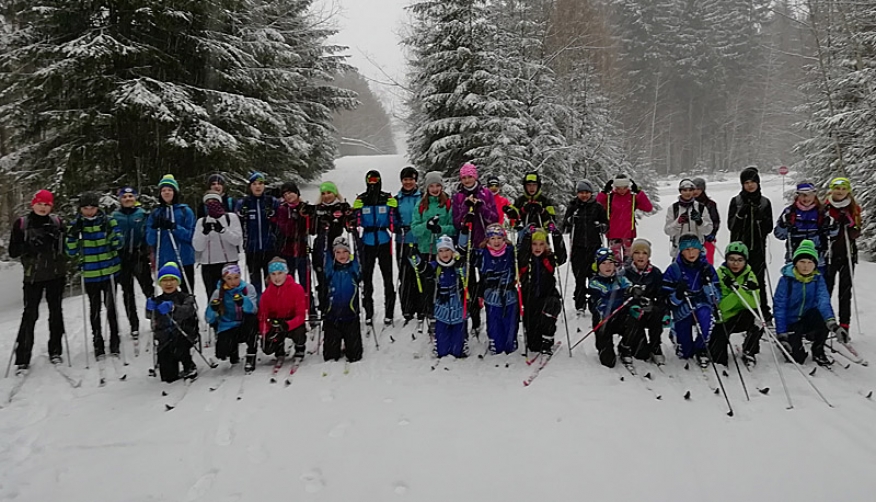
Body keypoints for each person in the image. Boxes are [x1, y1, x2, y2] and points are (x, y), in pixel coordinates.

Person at [9, 190, 67, 373]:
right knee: (30, 314)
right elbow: (13, 251)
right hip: (33, 276)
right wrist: (29, 246)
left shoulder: (57, 222)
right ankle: (23, 358)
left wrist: (57, 240)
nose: (43, 207)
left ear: (51, 206)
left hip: (56, 275)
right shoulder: (22, 223)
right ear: (33, 204)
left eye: (47, 204)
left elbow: (67, 247)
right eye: (40, 203)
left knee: (56, 312)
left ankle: (55, 351)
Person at [66, 192, 123, 360]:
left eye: (92, 208)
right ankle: (98, 341)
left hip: (109, 271)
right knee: (95, 309)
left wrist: (113, 237)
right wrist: (74, 235)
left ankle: (115, 340)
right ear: (81, 209)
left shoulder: (108, 220)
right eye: (85, 208)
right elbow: (70, 250)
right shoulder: (76, 224)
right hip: (91, 273)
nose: (89, 211)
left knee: (111, 308)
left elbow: (119, 242)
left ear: (98, 207)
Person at [773, 240, 848, 367]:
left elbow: (823, 302)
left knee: (821, 316)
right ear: (795, 263)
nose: (806, 266)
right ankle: (793, 343)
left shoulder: (818, 279)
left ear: (815, 265)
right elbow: (780, 307)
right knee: (797, 358)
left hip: (807, 318)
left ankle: (818, 350)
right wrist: (782, 333)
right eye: (802, 262)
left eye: (810, 262)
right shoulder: (786, 280)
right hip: (791, 322)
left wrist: (834, 326)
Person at [451, 163, 498, 338]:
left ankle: (489, 313)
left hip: (484, 243)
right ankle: (475, 319)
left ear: (475, 177)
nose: (467, 180)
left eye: (469, 177)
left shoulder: (485, 193)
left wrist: (481, 207)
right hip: (467, 245)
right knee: (468, 284)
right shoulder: (458, 196)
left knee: (486, 281)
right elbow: (456, 221)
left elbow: (495, 218)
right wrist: (465, 209)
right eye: (464, 177)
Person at [662, 234, 721, 367]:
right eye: (687, 250)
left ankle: (701, 348)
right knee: (685, 352)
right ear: (681, 251)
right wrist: (678, 294)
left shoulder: (707, 268)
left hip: (702, 303)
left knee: (706, 318)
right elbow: (666, 297)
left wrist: (707, 285)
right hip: (683, 307)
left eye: (694, 249)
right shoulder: (674, 269)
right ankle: (678, 337)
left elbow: (716, 296)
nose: (691, 253)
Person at [727, 166, 773, 322]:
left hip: (758, 248)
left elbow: (769, 227)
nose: (750, 185)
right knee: (738, 279)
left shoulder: (765, 202)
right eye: (746, 182)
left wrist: (761, 217)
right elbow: (731, 226)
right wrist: (741, 215)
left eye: (753, 182)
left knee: (758, 280)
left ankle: (763, 310)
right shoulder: (737, 201)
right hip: (739, 250)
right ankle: (738, 310)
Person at [352, 170, 398, 327]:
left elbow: (395, 220)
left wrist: (395, 208)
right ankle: (369, 312)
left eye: (375, 180)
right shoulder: (362, 199)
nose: (372, 183)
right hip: (367, 241)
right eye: (369, 180)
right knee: (367, 278)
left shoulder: (386, 198)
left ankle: (389, 312)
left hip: (384, 240)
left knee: (388, 278)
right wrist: (354, 211)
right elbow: (353, 223)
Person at [411, 171, 456, 329]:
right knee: (428, 282)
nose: (435, 189)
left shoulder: (448, 203)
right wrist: (427, 226)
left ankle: (446, 309)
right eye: (432, 186)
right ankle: (430, 312)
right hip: (426, 248)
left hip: (444, 251)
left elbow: (453, 228)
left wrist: (440, 228)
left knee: (444, 282)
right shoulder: (421, 205)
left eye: (438, 185)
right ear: (427, 187)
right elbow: (414, 229)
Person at [410, 235, 468, 358]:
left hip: (457, 307)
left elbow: (465, 274)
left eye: (447, 250)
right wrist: (414, 257)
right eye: (441, 251)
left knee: (457, 351)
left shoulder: (457, 263)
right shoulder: (435, 265)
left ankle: (462, 340)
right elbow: (423, 269)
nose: (444, 254)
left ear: (452, 250)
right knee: (443, 352)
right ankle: (440, 341)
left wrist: (461, 265)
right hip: (441, 308)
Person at [709, 242, 763, 367]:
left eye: (740, 260)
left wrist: (737, 290)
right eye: (731, 259)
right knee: (718, 358)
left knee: (757, 319)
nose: (735, 263)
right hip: (723, 319)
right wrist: (740, 293)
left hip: (742, 317)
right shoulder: (719, 275)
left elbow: (755, 303)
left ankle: (750, 349)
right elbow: (722, 306)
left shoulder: (750, 276)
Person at [305, 181, 353, 319]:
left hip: (337, 248)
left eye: (329, 193)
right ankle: (325, 308)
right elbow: (312, 231)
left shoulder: (340, 207)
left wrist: (350, 218)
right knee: (322, 279)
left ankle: (340, 305)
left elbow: (349, 226)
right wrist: (312, 217)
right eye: (323, 193)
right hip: (320, 247)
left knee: (337, 278)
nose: (326, 196)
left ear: (335, 193)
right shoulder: (317, 208)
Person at [469, 223, 518, 355]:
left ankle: (510, 340)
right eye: (493, 238)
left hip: (508, 291)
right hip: (492, 292)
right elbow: (468, 256)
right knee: (494, 318)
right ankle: (495, 340)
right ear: (487, 240)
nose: (496, 241)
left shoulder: (510, 251)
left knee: (510, 318)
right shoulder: (482, 254)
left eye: (499, 238)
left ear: (504, 239)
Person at [112, 187, 153, 342]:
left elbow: (148, 233)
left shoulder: (142, 214)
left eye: (131, 196)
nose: (128, 199)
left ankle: (154, 317)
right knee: (127, 293)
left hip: (139, 256)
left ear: (135, 198)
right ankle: (133, 324)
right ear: (120, 199)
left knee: (148, 289)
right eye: (125, 196)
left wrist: (147, 249)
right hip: (122, 258)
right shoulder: (115, 216)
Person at [561, 180, 608, 314]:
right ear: (577, 194)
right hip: (578, 249)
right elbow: (564, 226)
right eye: (581, 193)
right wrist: (570, 221)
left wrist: (602, 226)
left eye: (587, 192)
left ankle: (595, 303)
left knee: (594, 277)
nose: (584, 195)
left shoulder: (597, 207)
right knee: (580, 278)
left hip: (594, 248)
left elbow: (606, 225)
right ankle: (580, 304)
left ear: (591, 193)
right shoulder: (573, 207)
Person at [146, 263, 198, 382]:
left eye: (172, 280)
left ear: (178, 282)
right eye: (164, 280)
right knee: (168, 376)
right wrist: (150, 308)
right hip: (164, 337)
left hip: (184, 333)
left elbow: (188, 311)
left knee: (178, 344)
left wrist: (174, 308)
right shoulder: (158, 299)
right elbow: (150, 317)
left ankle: (189, 365)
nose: (168, 283)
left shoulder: (186, 297)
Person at [823, 177, 862, 334]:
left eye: (843, 189)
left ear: (848, 191)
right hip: (829, 254)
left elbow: (856, 233)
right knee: (826, 289)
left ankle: (845, 325)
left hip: (847, 254)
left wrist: (851, 224)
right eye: (837, 189)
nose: (840, 192)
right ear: (832, 190)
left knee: (845, 292)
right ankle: (824, 322)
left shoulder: (853, 208)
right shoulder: (825, 207)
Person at [519, 226, 566, 355]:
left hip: (548, 295)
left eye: (541, 244)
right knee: (534, 346)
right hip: (530, 298)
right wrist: (527, 237)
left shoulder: (549, 258)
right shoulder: (525, 259)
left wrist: (557, 236)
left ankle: (547, 339)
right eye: (534, 244)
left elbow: (562, 257)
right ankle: (537, 339)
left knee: (550, 310)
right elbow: (521, 255)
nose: (538, 247)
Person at [146, 174, 197, 293]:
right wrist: (154, 227)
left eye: (170, 190)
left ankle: (189, 311)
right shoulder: (155, 213)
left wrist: (174, 227)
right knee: (168, 293)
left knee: (187, 294)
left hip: (184, 259)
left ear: (175, 192)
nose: (167, 193)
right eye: (163, 190)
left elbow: (191, 236)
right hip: (165, 260)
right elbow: (150, 240)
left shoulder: (185, 211)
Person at [205, 264, 259, 372]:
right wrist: (213, 308)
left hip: (245, 324)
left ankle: (251, 354)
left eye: (236, 277)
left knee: (252, 321)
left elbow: (253, 309)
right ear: (224, 279)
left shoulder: (248, 288)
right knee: (222, 352)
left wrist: (243, 301)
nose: (233, 282)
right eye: (229, 278)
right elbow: (208, 319)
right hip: (228, 325)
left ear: (240, 276)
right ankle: (232, 351)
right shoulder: (218, 292)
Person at [622, 239, 669, 365]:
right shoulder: (625, 272)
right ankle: (627, 345)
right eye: (637, 253)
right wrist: (633, 303)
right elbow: (621, 294)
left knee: (657, 313)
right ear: (632, 255)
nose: (641, 256)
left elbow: (661, 295)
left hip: (650, 310)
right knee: (641, 354)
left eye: (644, 253)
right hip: (634, 313)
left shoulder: (655, 273)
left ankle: (655, 345)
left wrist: (659, 307)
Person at [271, 181, 313, 314]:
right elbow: (284, 228)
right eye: (285, 194)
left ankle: (309, 309)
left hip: (301, 250)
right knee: (289, 283)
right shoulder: (283, 209)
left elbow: (312, 229)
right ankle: (290, 310)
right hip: (287, 250)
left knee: (305, 282)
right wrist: (293, 219)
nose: (288, 196)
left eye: (291, 193)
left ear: (297, 193)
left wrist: (309, 217)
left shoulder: (304, 207)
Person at [192, 191, 243, 299]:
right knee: (213, 296)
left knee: (232, 293)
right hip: (209, 265)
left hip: (229, 262)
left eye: (214, 202)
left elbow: (237, 240)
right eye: (208, 203)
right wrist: (204, 234)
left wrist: (223, 230)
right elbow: (197, 247)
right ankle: (214, 315)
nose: (212, 205)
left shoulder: (231, 218)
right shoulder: (201, 221)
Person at [588, 248, 632, 368]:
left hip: (619, 317)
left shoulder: (621, 279)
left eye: (610, 263)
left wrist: (633, 291)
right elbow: (605, 294)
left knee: (633, 317)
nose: (608, 266)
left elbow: (629, 287)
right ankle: (606, 347)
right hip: (604, 320)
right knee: (608, 362)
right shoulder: (594, 282)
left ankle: (625, 346)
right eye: (603, 263)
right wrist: (624, 292)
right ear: (597, 266)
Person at [236, 171, 279, 294]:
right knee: (255, 282)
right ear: (250, 186)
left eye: (260, 183)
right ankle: (258, 308)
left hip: (269, 249)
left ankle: (271, 308)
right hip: (252, 249)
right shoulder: (244, 203)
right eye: (254, 184)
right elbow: (236, 225)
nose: (258, 186)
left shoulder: (271, 201)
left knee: (271, 281)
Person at [258, 258, 308, 363]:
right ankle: (278, 346)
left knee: (299, 331)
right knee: (267, 348)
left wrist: (287, 325)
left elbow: (301, 315)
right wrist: (266, 333)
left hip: (292, 321)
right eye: (273, 274)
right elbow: (262, 316)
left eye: (280, 273)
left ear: (286, 272)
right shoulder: (266, 294)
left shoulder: (297, 289)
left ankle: (299, 346)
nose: (277, 277)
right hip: (275, 322)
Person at [323, 236, 364, 363]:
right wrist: (326, 233)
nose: (342, 255)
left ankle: (349, 343)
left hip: (350, 317)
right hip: (332, 318)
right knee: (330, 356)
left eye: (345, 251)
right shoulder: (330, 271)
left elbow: (360, 252)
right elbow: (324, 252)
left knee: (355, 356)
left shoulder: (353, 270)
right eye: (338, 252)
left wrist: (353, 232)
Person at [774, 182, 833, 269]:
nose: (806, 198)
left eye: (809, 194)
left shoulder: (822, 212)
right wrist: (783, 225)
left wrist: (832, 226)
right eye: (802, 195)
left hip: (818, 260)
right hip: (794, 259)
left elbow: (832, 234)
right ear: (797, 196)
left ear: (814, 195)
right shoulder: (790, 212)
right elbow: (779, 235)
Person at [596, 173, 654, 261]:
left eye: (625, 187)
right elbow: (596, 205)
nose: (622, 190)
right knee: (615, 261)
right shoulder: (610, 198)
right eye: (618, 188)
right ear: (615, 187)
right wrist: (604, 192)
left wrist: (639, 192)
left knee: (629, 261)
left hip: (628, 234)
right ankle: (616, 274)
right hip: (613, 234)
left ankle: (628, 275)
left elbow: (648, 207)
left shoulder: (632, 197)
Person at [395, 167, 423, 325]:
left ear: (415, 180)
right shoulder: (397, 198)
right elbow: (393, 218)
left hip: (420, 240)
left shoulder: (422, 197)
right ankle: (407, 308)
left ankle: (421, 307)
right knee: (405, 275)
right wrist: (397, 226)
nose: (408, 182)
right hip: (403, 240)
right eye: (405, 179)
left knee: (419, 273)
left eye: (411, 179)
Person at [664, 178, 713, 259]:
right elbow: (668, 231)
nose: (688, 193)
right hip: (679, 250)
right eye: (684, 190)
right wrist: (678, 222)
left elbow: (708, 231)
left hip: (697, 250)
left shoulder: (701, 208)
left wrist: (700, 222)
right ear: (680, 191)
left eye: (690, 190)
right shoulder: (673, 208)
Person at [692, 178, 720, 264]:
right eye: (694, 189)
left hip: (708, 240)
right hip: (692, 240)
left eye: (698, 189)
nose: (696, 191)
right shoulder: (688, 204)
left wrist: (712, 233)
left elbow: (715, 221)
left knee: (707, 263)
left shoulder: (710, 204)